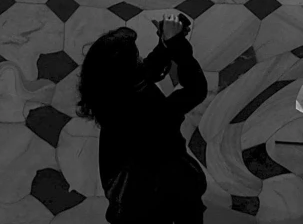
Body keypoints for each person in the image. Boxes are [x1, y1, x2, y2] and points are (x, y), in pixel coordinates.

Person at [80, 13, 209, 224]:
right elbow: (197, 90)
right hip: (165, 204)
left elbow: (146, 69)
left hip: (129, 205)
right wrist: (176, 44)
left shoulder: (109, 96)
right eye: (136, 57)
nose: (141, 60)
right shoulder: (147, 107)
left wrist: (166, 44)